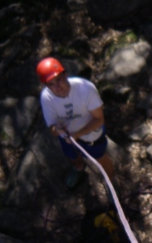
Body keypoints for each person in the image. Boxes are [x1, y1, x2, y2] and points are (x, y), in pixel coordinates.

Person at [36, 57, 114, 189]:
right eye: (51, 84)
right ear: (46, 86)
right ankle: (79, 167)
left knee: (101, 158)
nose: (57, 87)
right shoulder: (47, 98)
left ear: (65, 75)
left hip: (90, 135)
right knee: (71, 155)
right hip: (67, 138)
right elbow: (52, 128)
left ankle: (111, 184)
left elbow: (99, 119)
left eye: (59, 80)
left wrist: (77, 134)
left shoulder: (85, 89)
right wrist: (58, 130)